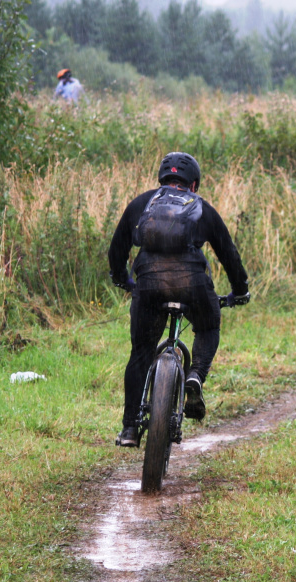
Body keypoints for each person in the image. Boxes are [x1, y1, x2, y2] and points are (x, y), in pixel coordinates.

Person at [108, 152, 250, 447]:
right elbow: (229, 255)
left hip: (149, 286)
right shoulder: (202, 208)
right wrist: (240, 290)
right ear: (194, 184)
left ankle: (130, 428)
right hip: (193, 285)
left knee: (141, 353)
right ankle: (195, 374)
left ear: (161, 179)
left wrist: (124, 280)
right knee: (209, 327)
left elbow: (117, 248)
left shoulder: (142, 203)